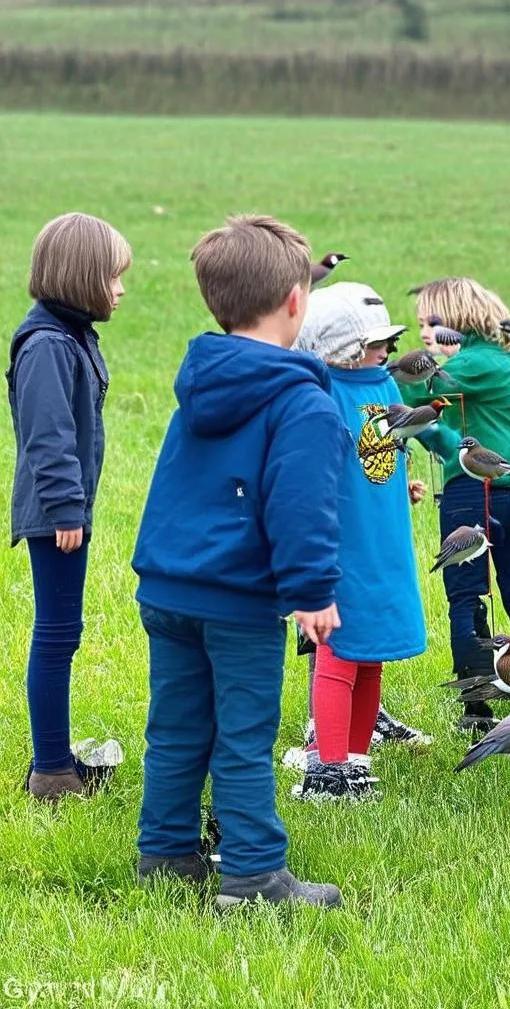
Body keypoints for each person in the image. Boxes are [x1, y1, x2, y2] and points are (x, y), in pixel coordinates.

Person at [132, 215, 344, 910]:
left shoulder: (201, 382)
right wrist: (312, 590)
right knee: (245, 738)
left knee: (175, 728)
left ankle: (164, 856)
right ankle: (254, 876)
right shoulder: (301, 402)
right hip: (238, 600)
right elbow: (302, 507)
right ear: (295, 299)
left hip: (169, 588)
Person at [287, 281, 430, 801]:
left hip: (384, 540)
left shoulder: (383, 385)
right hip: (342, 545)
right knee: (339, 652)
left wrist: (402, 484)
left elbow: (386, 450)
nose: (387, 352)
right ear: (340, 346)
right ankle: (324, 771)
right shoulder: (320, 391)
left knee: (371, 653)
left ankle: (354, 761)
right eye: (376, 343)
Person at [401, 277, 510, 734]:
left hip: (475, 492)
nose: (425, 333)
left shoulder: (472, 362)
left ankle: (477, 704)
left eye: (433, 323)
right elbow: (444, 422)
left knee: (466, 593)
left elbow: (411, 389)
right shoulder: (499, 360)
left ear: (458, 320)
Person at [8, 212, 131, 801]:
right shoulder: (47, 346)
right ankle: (52, 772)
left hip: (66, 510)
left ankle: (54, 761)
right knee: (56, 635)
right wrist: (64, 510)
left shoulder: (70, 335)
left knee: (65, 632)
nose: (121, 289)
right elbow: (46, 435)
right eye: (112, 276)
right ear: (81, 276)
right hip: (55, 513)